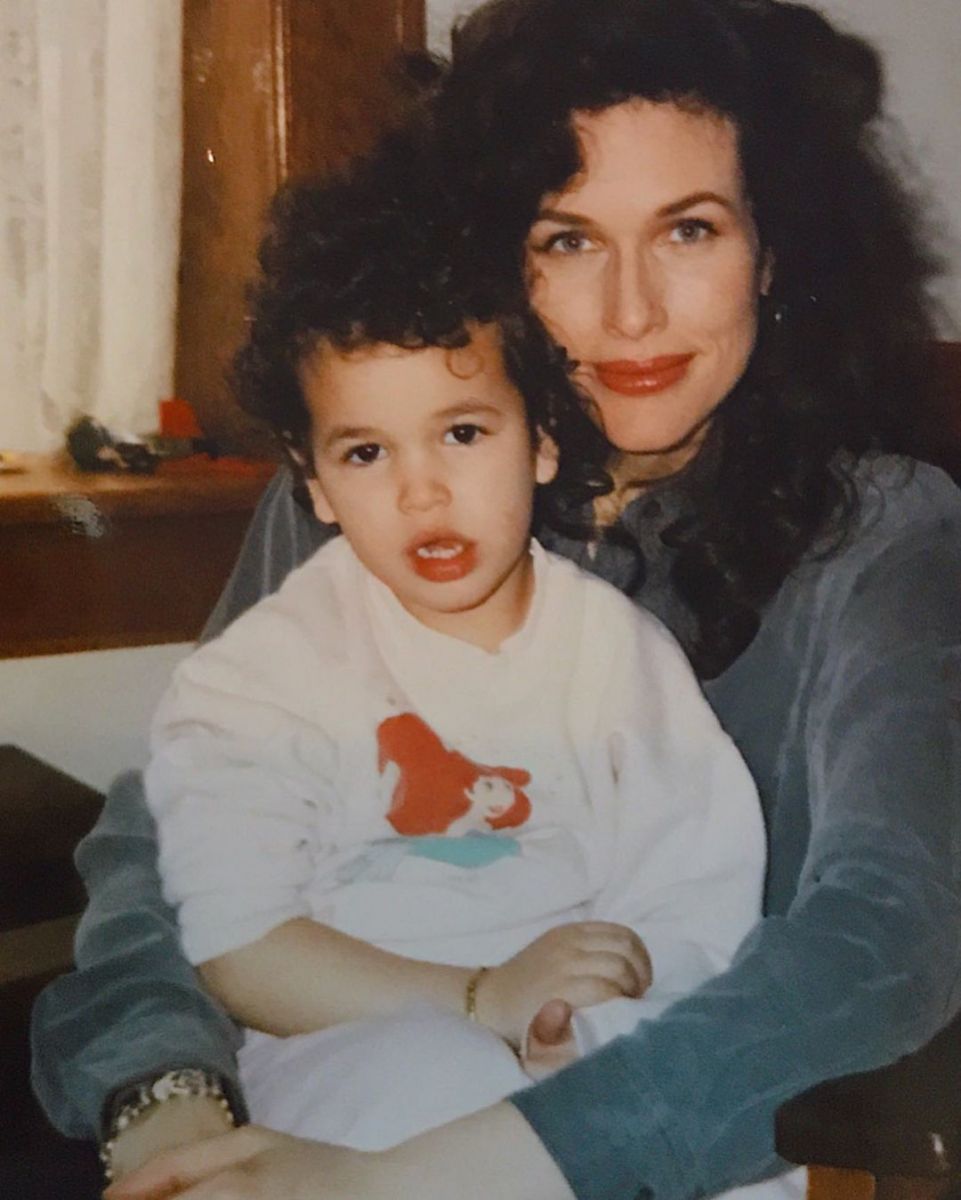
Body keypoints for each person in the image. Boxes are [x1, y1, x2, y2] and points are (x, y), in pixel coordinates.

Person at [30, 1, 961, 1198]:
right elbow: (171, 840)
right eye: (567, 240)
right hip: (320, 1103)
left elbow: (891, 936)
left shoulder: (883, 536)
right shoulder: (381, 489)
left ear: (775, 255)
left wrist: (426, 1179)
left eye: (688, 230)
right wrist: (166, 1109)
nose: (631, 311)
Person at [141, 158, 763, 1155]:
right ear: (312, 484)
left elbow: (692, 898)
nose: (422, 493)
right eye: (366, 453)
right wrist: (478, 1000)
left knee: (735, 1143)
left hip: (568, 1046)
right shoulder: (257, 678)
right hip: (347, 1047)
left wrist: (579, 1028)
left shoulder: (615, 656)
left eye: (463, 432)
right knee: (446, 1077)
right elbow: (240, 947)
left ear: (541, 445)